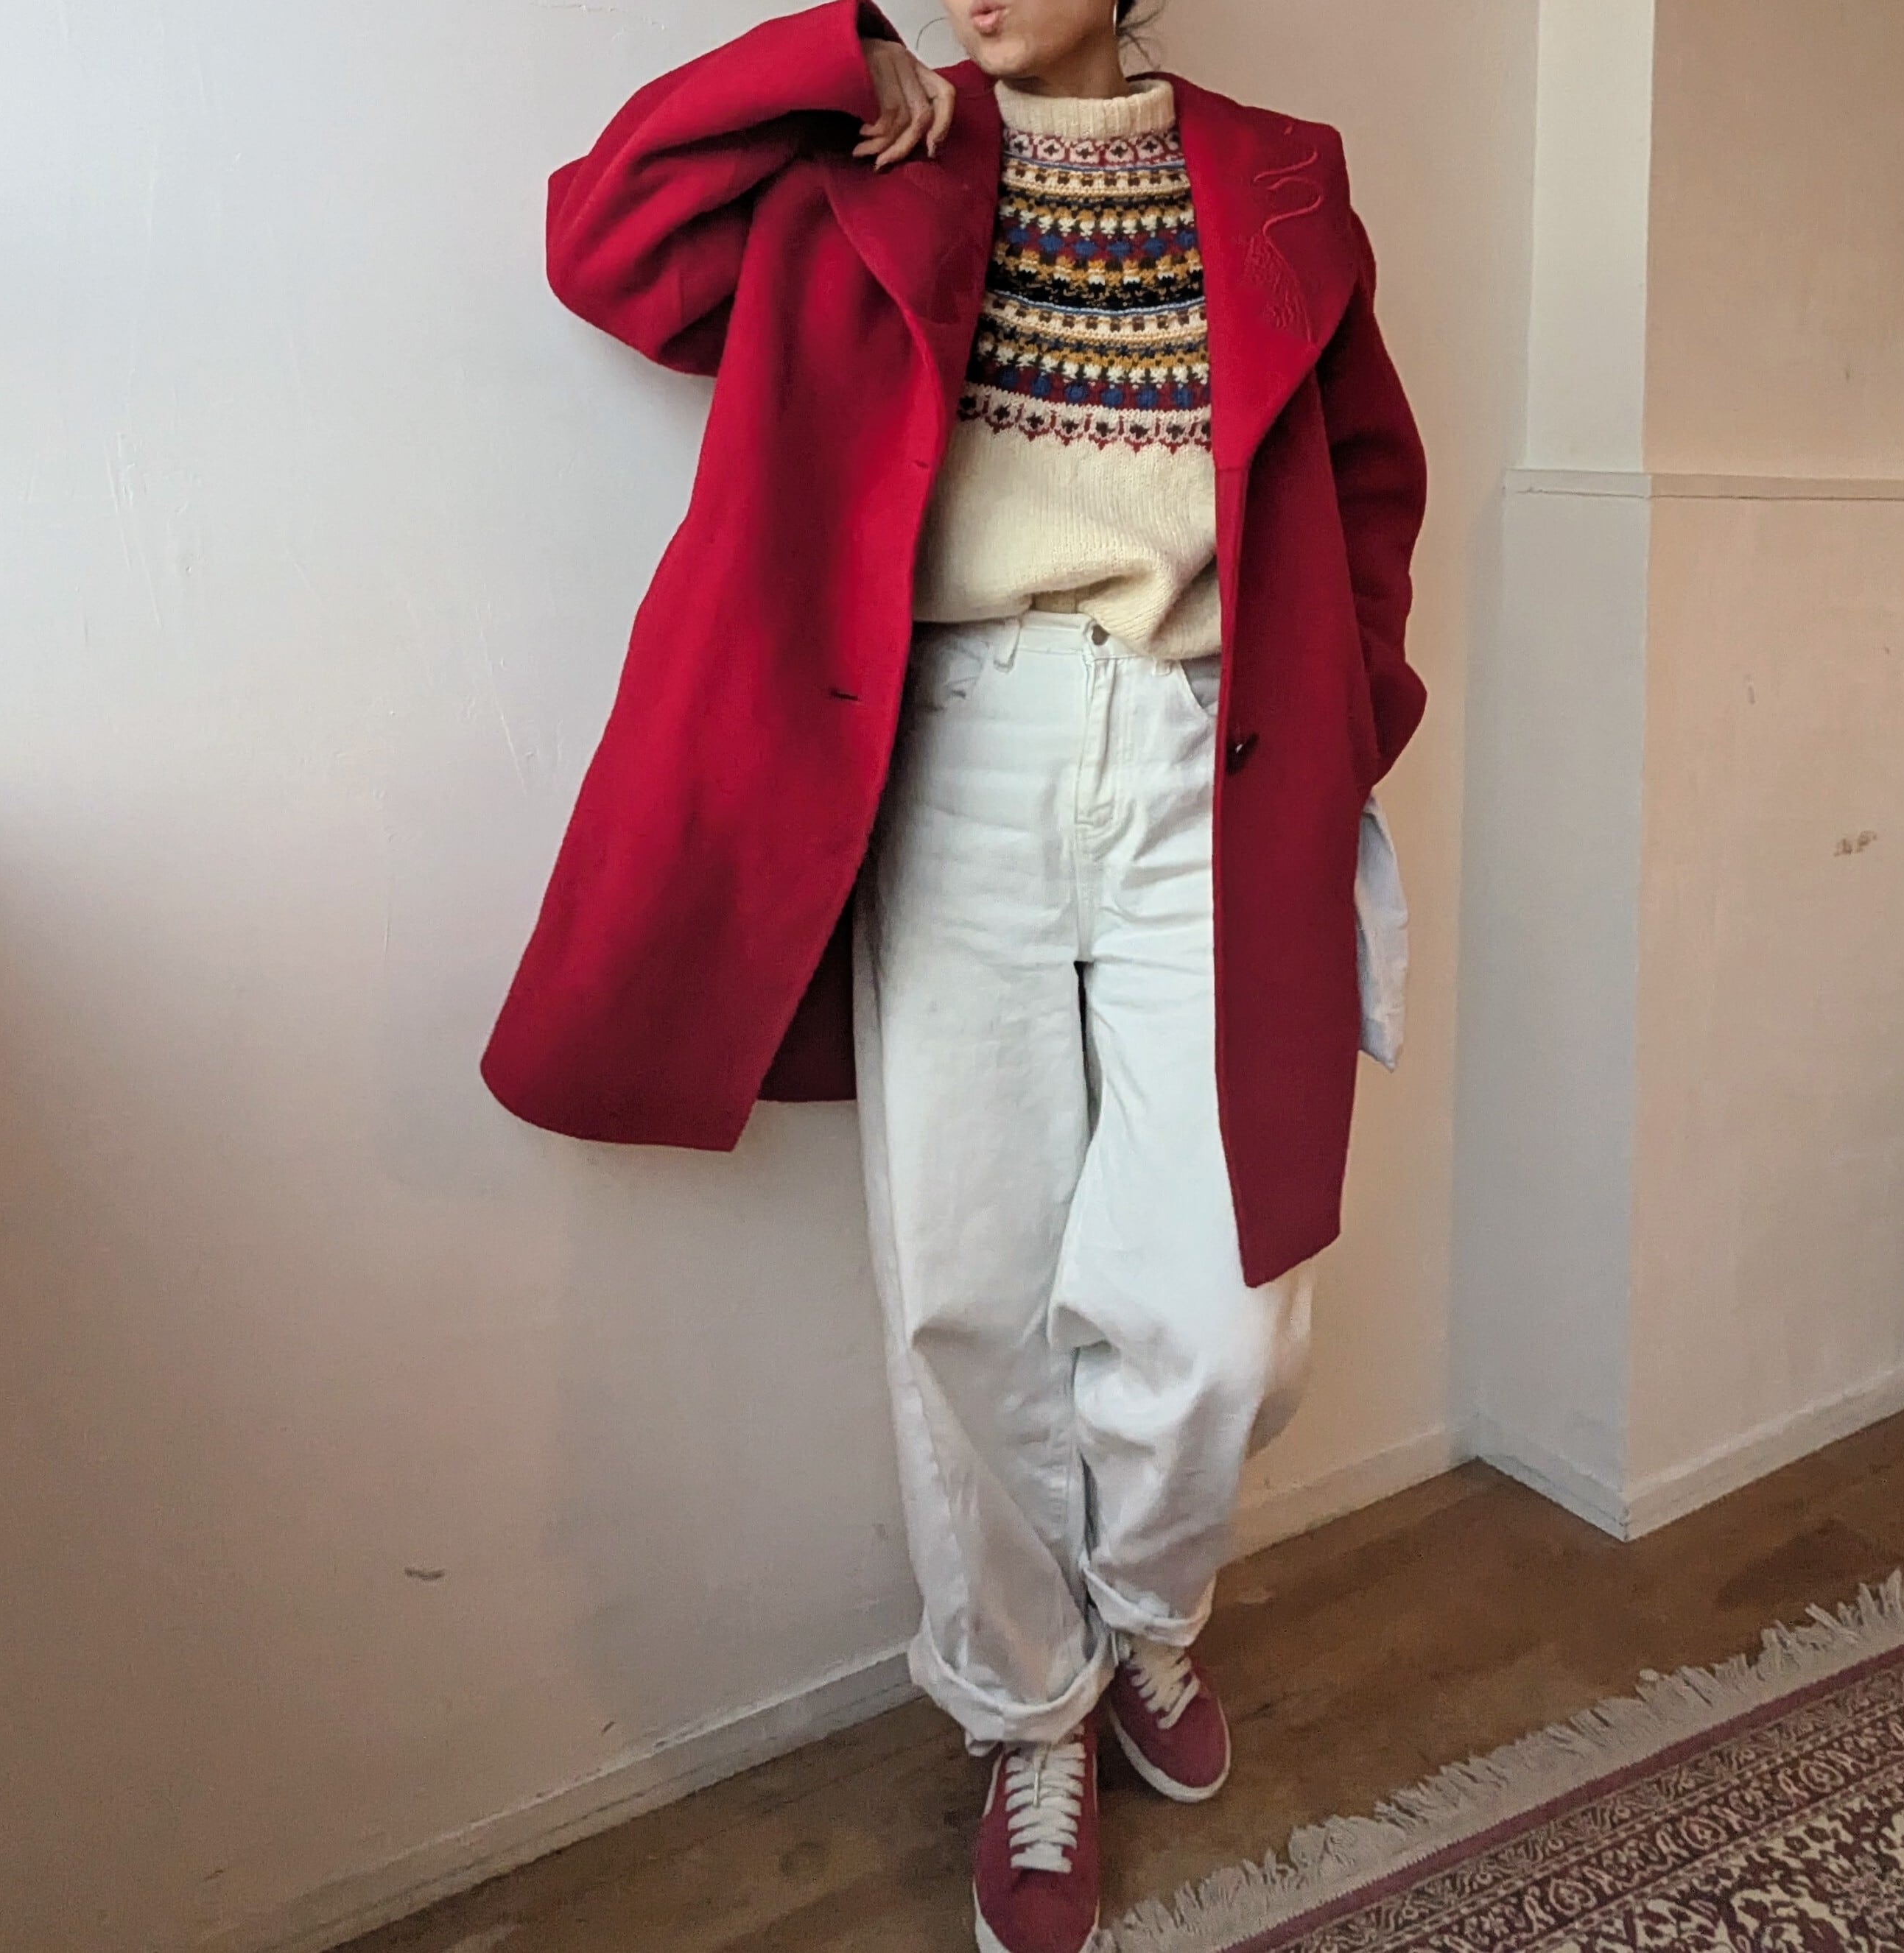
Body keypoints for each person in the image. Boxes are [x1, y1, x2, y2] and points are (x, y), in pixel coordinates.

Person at [481, 2, 1426, 1947]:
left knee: (1228, 1315)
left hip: (1208, 754)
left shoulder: (1276, 177)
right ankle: (1029, 1711)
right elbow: (608, 241)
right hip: (957, 751)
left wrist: (1350, 709)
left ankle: (1142, 1611)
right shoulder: (878, 161)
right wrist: (827, 65)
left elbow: (1363, 483)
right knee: (970, 1284)